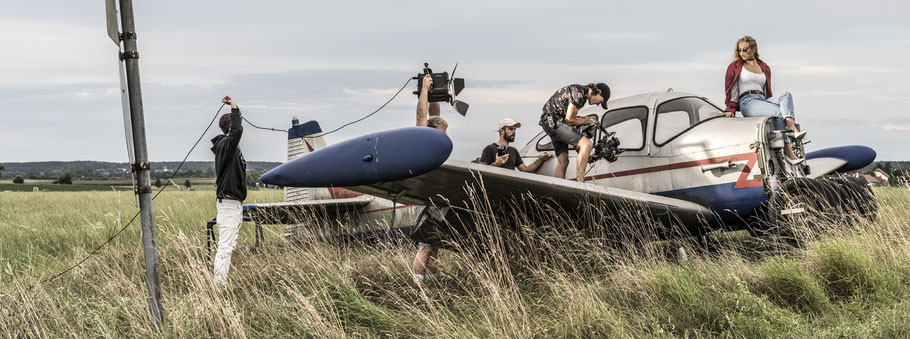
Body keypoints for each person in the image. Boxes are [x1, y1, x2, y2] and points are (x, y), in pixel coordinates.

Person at [723, 35, 806, 164]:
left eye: (745, 49)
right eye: (739, 50)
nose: (741, 53)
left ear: (754, 48)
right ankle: (788, 150)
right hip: (747, 101)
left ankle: (790, 125)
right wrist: (730, 108)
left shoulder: (764, 66)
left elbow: (767, 89)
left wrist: (768, 103)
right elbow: (731, 88)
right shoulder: (735, 66)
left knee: (786, 94)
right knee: (778, 112)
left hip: (762, 99)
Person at [539, 83, 610, 182]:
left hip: (550, 122)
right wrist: (588, 121)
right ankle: (580, 184)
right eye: (600, 102)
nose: (598, 104)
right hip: (554, 122)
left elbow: (570, 118)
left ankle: (559, 189)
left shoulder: (580, 92)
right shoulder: (579, 94)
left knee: (563, 160)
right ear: (598, 92)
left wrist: (586, 123)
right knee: (586, 144)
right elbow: (570, 120)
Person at [412, 74, 446, 283]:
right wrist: (424, 90)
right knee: (425, 245)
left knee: (434, 246)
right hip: (424, 201)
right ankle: (418, 285)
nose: (443, 137)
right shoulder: (423, 142)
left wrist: (433, 92)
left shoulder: (437, 143)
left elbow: (434, 116)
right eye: (440, 133)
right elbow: (422, 119)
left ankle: (432, 283)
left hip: (435, 200)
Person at [211, 95, 248, 286]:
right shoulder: (227, 144)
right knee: (225, 248)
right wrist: (233, 105)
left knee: (228, 247)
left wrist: (236, 110)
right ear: (231, 127)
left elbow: (237, 129)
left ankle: (220, 284)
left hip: (232, 204)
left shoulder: (227, 147)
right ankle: (219, 288)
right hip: (229, 204)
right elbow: (237, 130)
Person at [480, 118, 551, 172]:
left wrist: (541, 159)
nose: (514, 132)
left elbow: (526, 170)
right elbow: (480, 172)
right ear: (502, 131)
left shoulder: (513, 151)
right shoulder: (490, 149)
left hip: (510, 190)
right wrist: (496, 164)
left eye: (515, 129)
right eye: (510, 129)